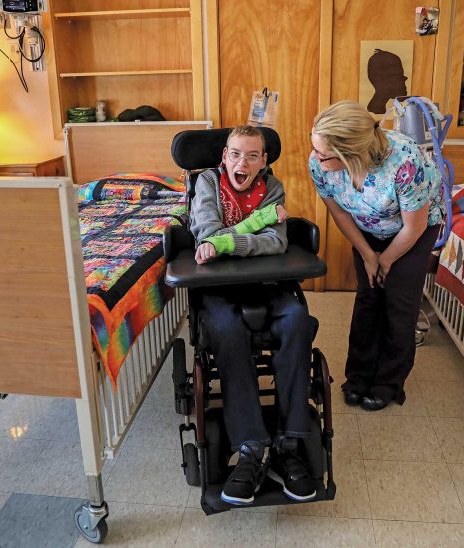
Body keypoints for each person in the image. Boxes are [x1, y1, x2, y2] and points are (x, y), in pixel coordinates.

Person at [190, 125, 317, 506]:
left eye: (251, 156)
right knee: (227, 330)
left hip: (268, 284)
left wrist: (228, 243)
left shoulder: (271, 189)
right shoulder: (207, 185)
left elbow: (277, 242)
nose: (241, 162)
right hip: (216, 286)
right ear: (223, 157)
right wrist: (250, 235)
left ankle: (289, 443)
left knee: (296, 321)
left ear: (263, 162)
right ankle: (250, 447)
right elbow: (207, 233)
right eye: (234, 154)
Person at [309, 100, 444, 411]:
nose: (315, 158)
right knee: (369, 295)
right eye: (315, 148)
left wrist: (386, 259)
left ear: (350, 153)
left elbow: (415, 225)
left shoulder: (403, 160)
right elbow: (340, 214)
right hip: (365, 229)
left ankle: (389, 382)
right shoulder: (320, 163)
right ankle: (358, 376)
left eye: (323, 154)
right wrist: (368, 254)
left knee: (398, 301)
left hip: (413, 232)